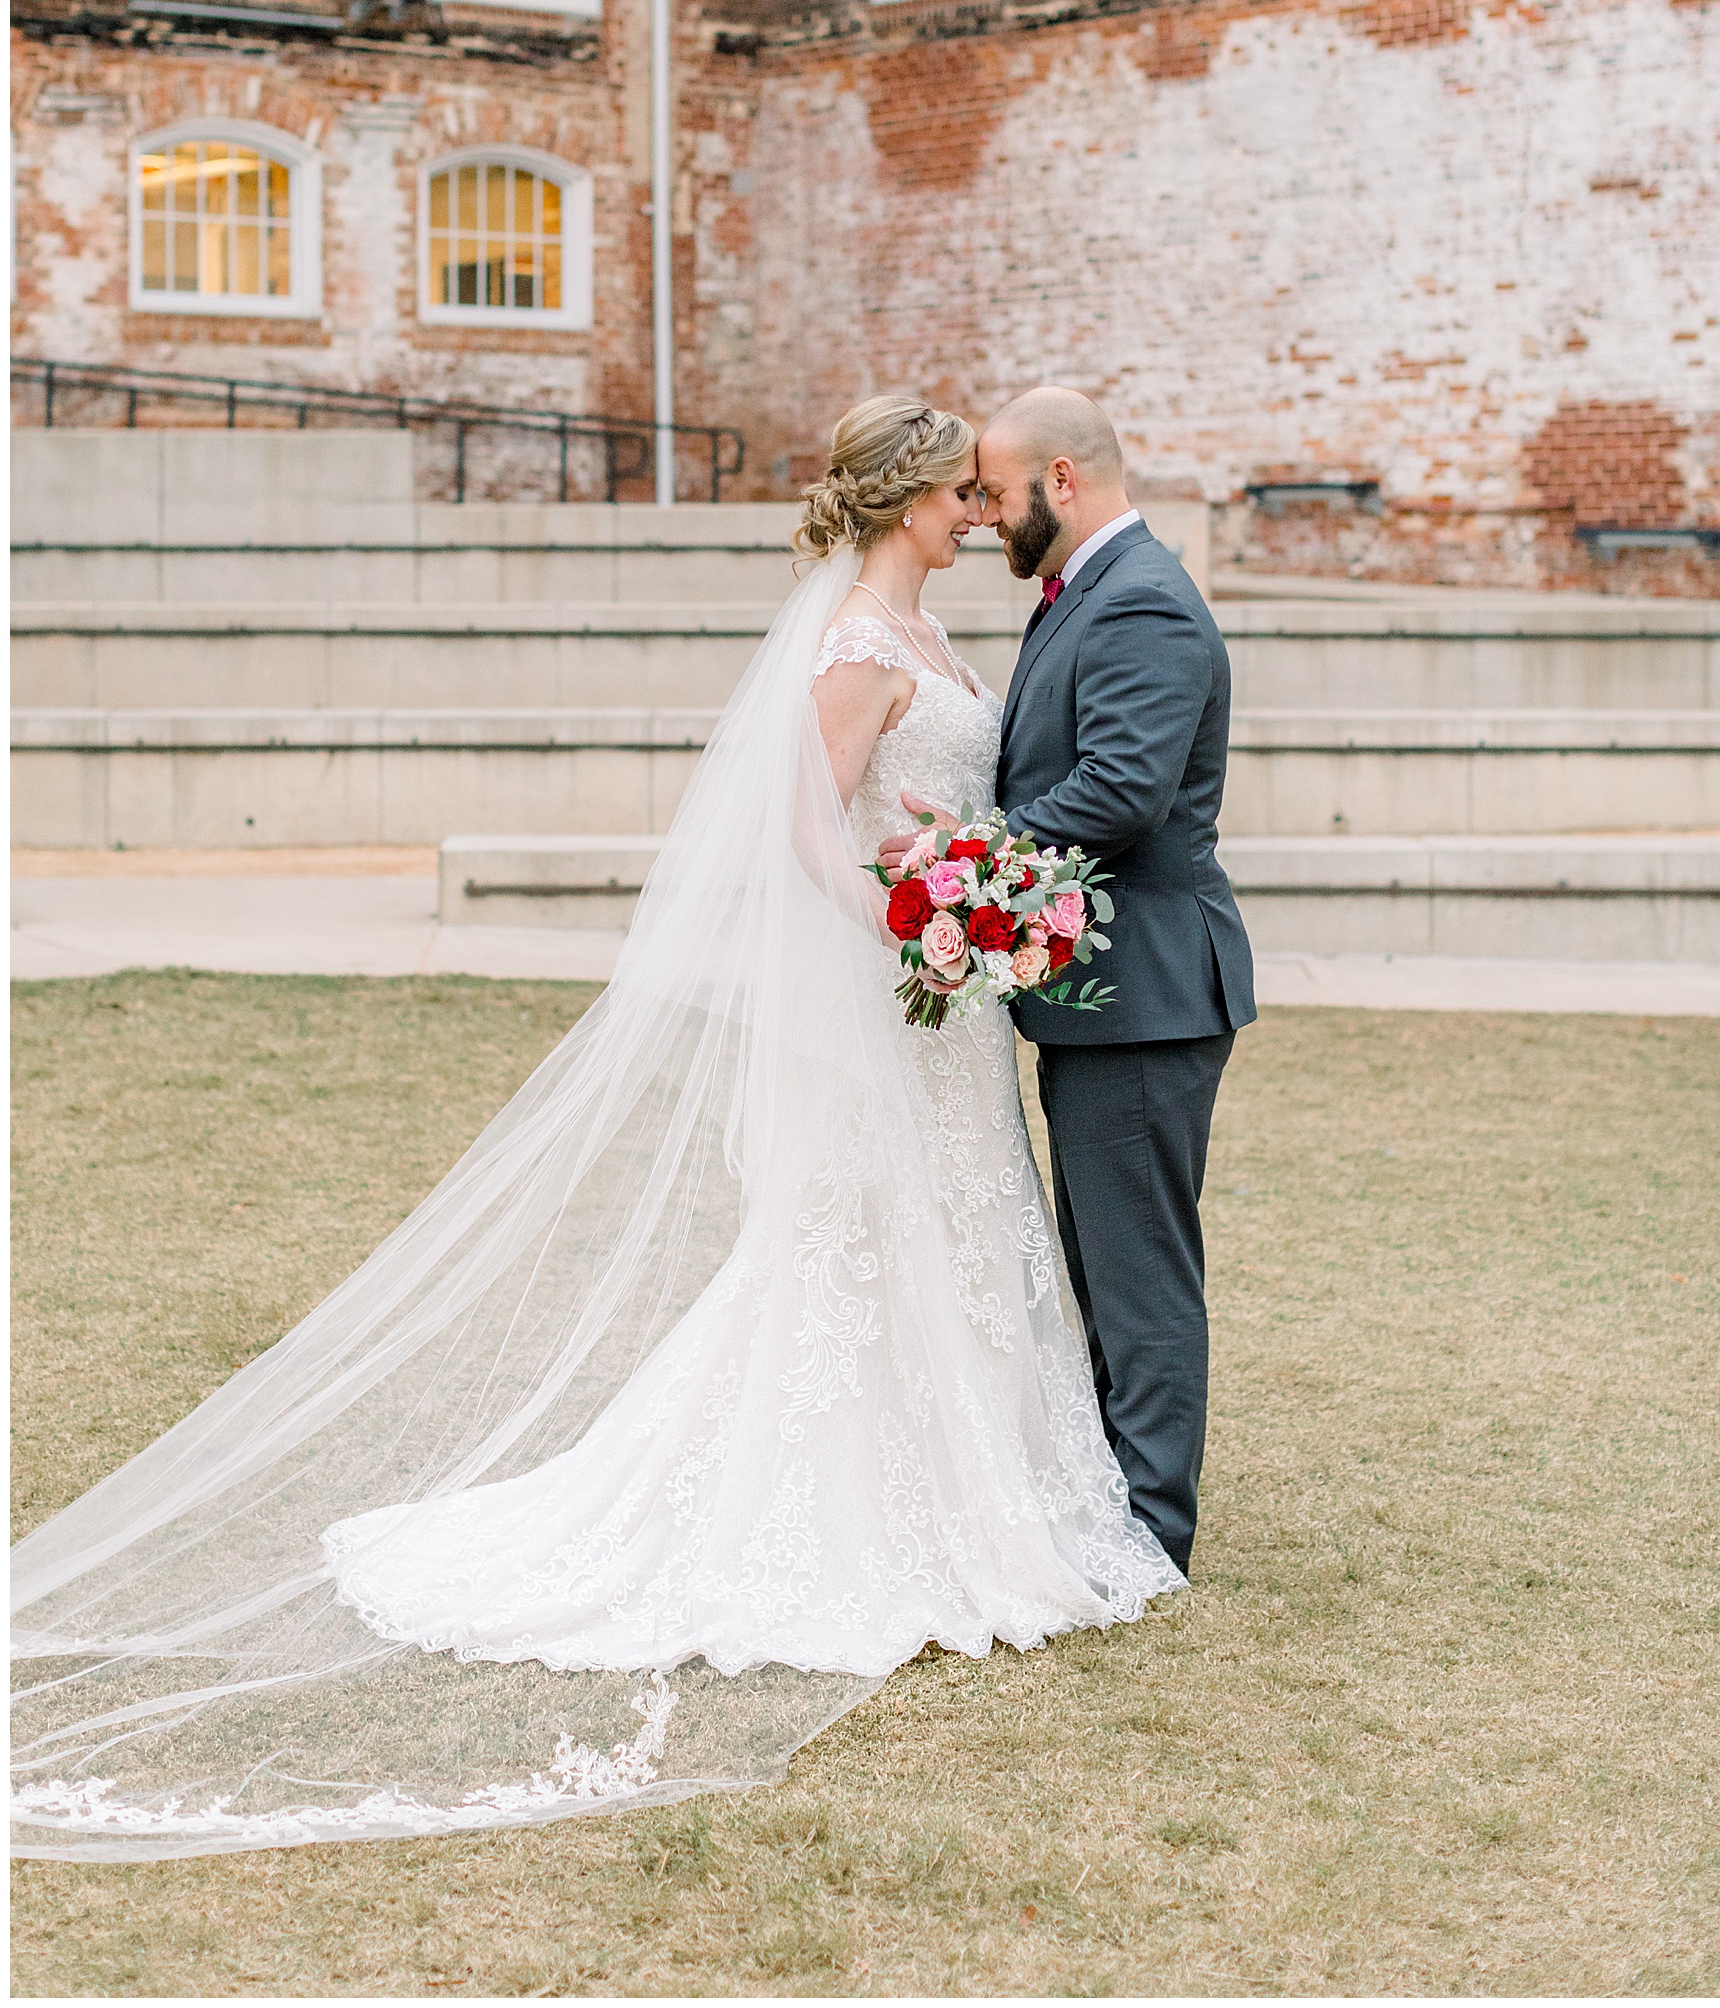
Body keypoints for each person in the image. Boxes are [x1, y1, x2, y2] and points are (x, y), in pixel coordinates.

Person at [11, 396, 1180, 1864]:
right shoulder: (858, 652)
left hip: (936, 1012)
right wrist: (913, 916)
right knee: (856, 1242)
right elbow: (804, 829)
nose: (977, 510)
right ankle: (848, 1513)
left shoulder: (938, 641)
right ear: (900, 505)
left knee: (953, 1226)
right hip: (898, 988)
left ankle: (984, 1487)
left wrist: (950, 894)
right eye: (958, 491)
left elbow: (937, 807)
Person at [883, 387, 1255, 1577]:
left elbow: (1122, 792)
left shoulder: (1141, 601)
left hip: (1147, 991)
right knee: (1102, 1253)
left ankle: (1151, 1533)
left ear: (1059, 478)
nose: (984, 513)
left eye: (994, 489)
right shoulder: (1085, 591)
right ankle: (1114, 1500)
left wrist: (963, 852)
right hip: (1106, 992)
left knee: (1138, 1267)